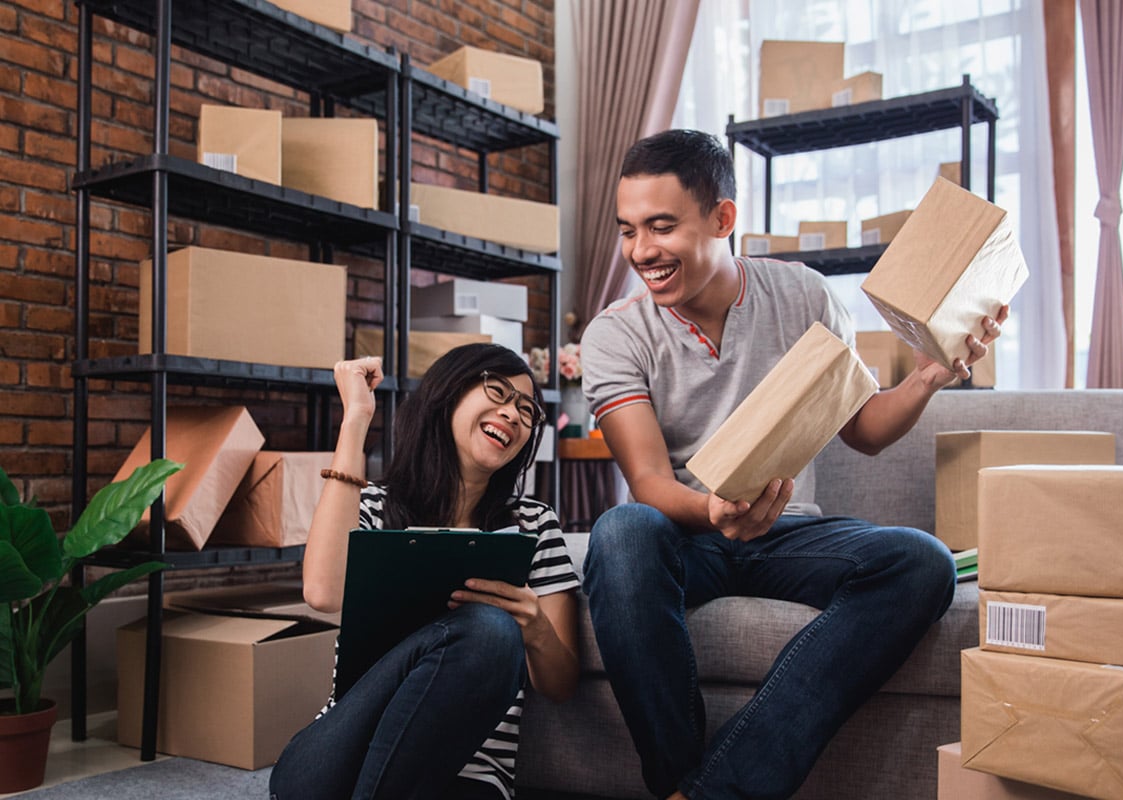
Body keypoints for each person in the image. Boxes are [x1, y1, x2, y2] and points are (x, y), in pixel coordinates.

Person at [580, 129, 1007, 800]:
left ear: (723, 218)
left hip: (790, 532)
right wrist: (714, 510)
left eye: (661, 227)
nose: (641, 252)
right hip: (686, 536)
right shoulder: (615, 334)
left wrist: (928, 376)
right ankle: (681, 783)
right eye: (629, 231)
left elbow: (864, 430)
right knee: (620, 533)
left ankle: (710, 792)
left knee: (922, 562)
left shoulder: (803, 296)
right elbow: (650, 483)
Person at [269, 344, 579, 800]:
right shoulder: (373, 505)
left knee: (491, 631)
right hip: (337, 762)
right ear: (449, 393)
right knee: (487, 628)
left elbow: (560, 685)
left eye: (527, 409)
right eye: (497, 391)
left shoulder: (533, 525)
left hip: (468, 776)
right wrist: (356, 417)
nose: (513, 414)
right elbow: (322, 591)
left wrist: (534, 629)